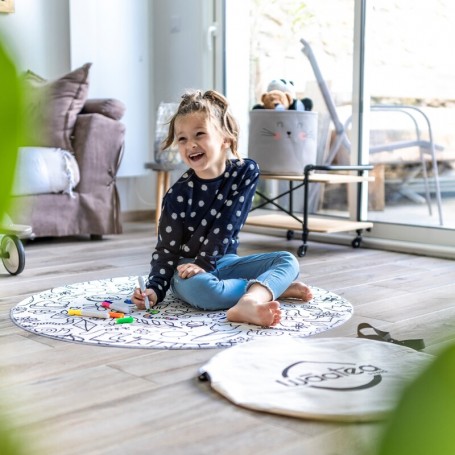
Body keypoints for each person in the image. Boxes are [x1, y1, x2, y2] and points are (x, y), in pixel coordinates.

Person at [132, 89, 313, 327]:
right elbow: (166, 251)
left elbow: (227, 224)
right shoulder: (177, 195)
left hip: (224, 262)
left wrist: (205, 263)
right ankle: (267, 288)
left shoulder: (245, 172)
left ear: (225, 138)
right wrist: (154, 289)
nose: (190, 145)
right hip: (187, 271)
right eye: (182, 139)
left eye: (200, 134)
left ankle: (251, 301)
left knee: (288, 261)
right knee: (202, 291)